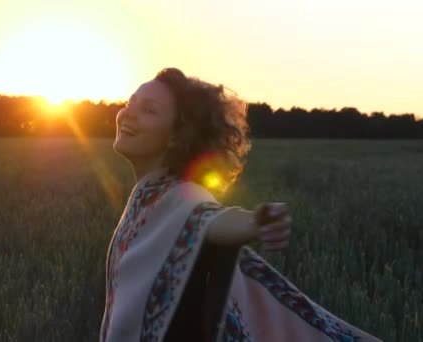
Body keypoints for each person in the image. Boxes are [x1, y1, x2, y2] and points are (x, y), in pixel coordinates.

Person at [99, 67, 381, 342]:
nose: (128, 113)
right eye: (130, 102)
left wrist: (256, 222)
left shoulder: (183, 195)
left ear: (176, 135)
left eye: (149, 110)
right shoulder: (148, 196)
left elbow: (211, 218)